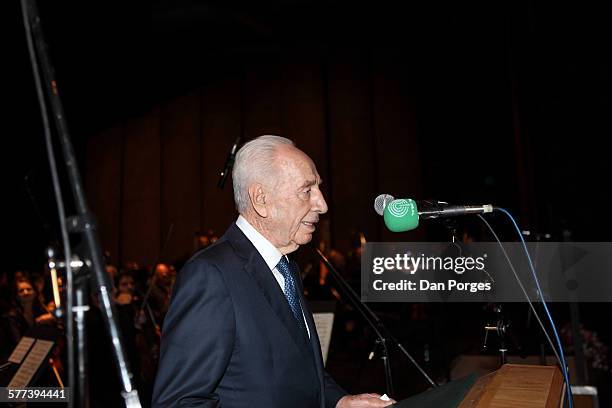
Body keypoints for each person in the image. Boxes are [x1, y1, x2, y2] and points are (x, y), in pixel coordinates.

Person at [153, 136, 393, 407]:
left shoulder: (286, 264)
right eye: (307, 190)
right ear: (261, 199)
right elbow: (179, 402)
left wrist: (340, 401)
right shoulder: (211, 275)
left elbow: (300, 370)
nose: (322, 204)